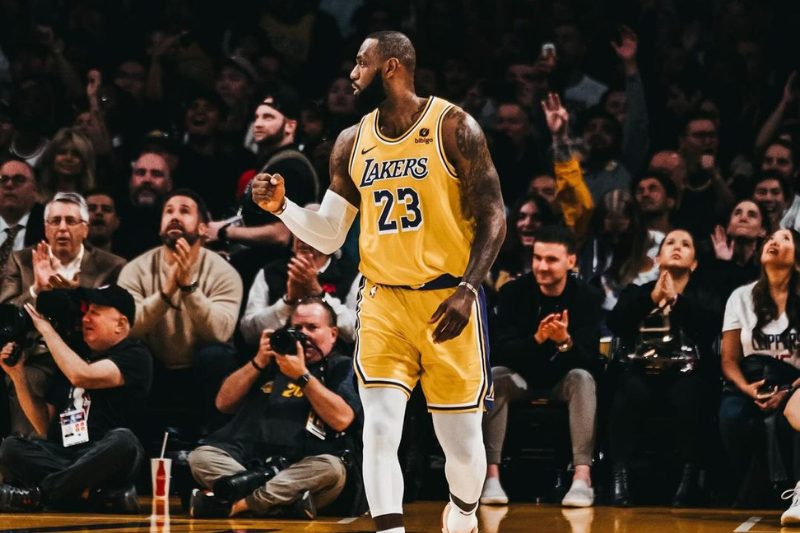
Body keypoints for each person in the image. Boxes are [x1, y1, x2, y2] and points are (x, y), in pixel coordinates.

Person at [250, 31, 506, 533]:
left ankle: (464, 513)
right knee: (381, 431)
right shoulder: (351, 142)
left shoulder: (453, 126)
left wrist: (468, 288)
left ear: (391, 67)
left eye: (361, 63)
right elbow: (329, 234)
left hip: (448, 299)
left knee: (462, 445)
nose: (352, 75)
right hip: (384, 300)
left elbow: (494, 215)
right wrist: (282, 208)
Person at [187, 298, 362, 519]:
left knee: (331, 469)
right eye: (297, 328)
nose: (303, 335)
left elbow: (342, 419)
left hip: (303, 467)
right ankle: (283, 505)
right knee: (201, 457)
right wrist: (258, 362)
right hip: (251, 464)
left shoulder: (343, 367)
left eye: (312, 327)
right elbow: (223, 403)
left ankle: (237, 505)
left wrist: (302, 376)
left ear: (333, 334)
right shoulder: (271, 361)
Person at [0, 285, 152, 513]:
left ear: (120, 324)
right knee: (11, 447)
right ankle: (89, 493)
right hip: (65, 455)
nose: (86, 318)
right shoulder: (72, 355)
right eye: (86, 311)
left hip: (104, 457)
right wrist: (17, 374)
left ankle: (40, 495)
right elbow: (44, 425)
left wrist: (46, 329)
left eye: (95, 312)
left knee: (124, 441)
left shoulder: (136, 355)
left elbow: (81, 375)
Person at [481, 226, 601, 508]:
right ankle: (490, 476)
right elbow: (500, 352)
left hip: (563, 380)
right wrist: (537, 339)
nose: (542, 266)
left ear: (571, 261)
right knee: (496, 377)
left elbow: (591, 361)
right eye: (537, 258)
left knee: (583, 379)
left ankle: (582, 478)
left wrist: (564, 342)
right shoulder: (513, 293)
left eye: (551, 260)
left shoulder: (586, 297)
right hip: (521, 377)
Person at [607, 229, 722, 507]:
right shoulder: (637, 292)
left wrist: (676, 302)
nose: (677, 247)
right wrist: (651, 299)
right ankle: (619, 479)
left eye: (686, 244)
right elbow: (617, 323)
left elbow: (710, 328)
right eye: (670, 243)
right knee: (626, 391)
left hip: (688, 374)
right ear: (657, 259)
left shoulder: (704, 296)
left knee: (691, 394)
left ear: (695, 263)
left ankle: (688, 481)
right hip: (641, 371)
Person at [117, 188, 243, 436]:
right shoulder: (135, 270)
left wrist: (188, 288)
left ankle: (215, 438)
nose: (174, 216)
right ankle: (130, 439)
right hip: (155, 369)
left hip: (200, 370)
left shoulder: (224, 272)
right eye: (169, 211)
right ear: (160, 227)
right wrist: (166, 293)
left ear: (203, 229)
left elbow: (221, 332)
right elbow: (126, 327)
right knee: (130, 352)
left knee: (218, 355)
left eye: (184, 211)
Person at [0, 192, 127, 436]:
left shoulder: (111, 266)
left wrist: (75, 295)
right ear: (45, 228)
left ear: (85, 229)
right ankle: (27, 452)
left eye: (71, 221)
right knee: (28, 377)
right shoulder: (22, 260)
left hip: (86, 356)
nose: (62, 228)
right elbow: (6, 315)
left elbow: (111, 318)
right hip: (37, 355)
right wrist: (36, 290)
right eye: (55, 221)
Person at [719, 228, 800, 507]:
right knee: (732, 417)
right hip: (752, 379)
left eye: (785, 239)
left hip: (794, 382)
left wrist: (788, 390)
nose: (773, 241)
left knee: (789, 418)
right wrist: (747, 388)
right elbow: (729, 359)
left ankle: (785, 490)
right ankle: (756, 485)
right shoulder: (741, 296)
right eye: (771, 238)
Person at [240, 231, 360, 346]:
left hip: (335, 356)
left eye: (311, 230)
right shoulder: (270, 272)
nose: (302, 237)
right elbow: (249, 333)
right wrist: (288, 302)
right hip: (278, 353)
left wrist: (318, 293)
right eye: (297, 229)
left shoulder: (352, 274)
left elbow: (356, 332)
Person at [0, 157, 44, 274]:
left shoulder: (48, 225)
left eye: (18, 179)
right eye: (3, 179)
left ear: (35, 189)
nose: (9, 184)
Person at [85, 190, 121, 254]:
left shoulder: (131, 259)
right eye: (91, 209)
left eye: (107, 209)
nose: (99, 212)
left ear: (117, 222)